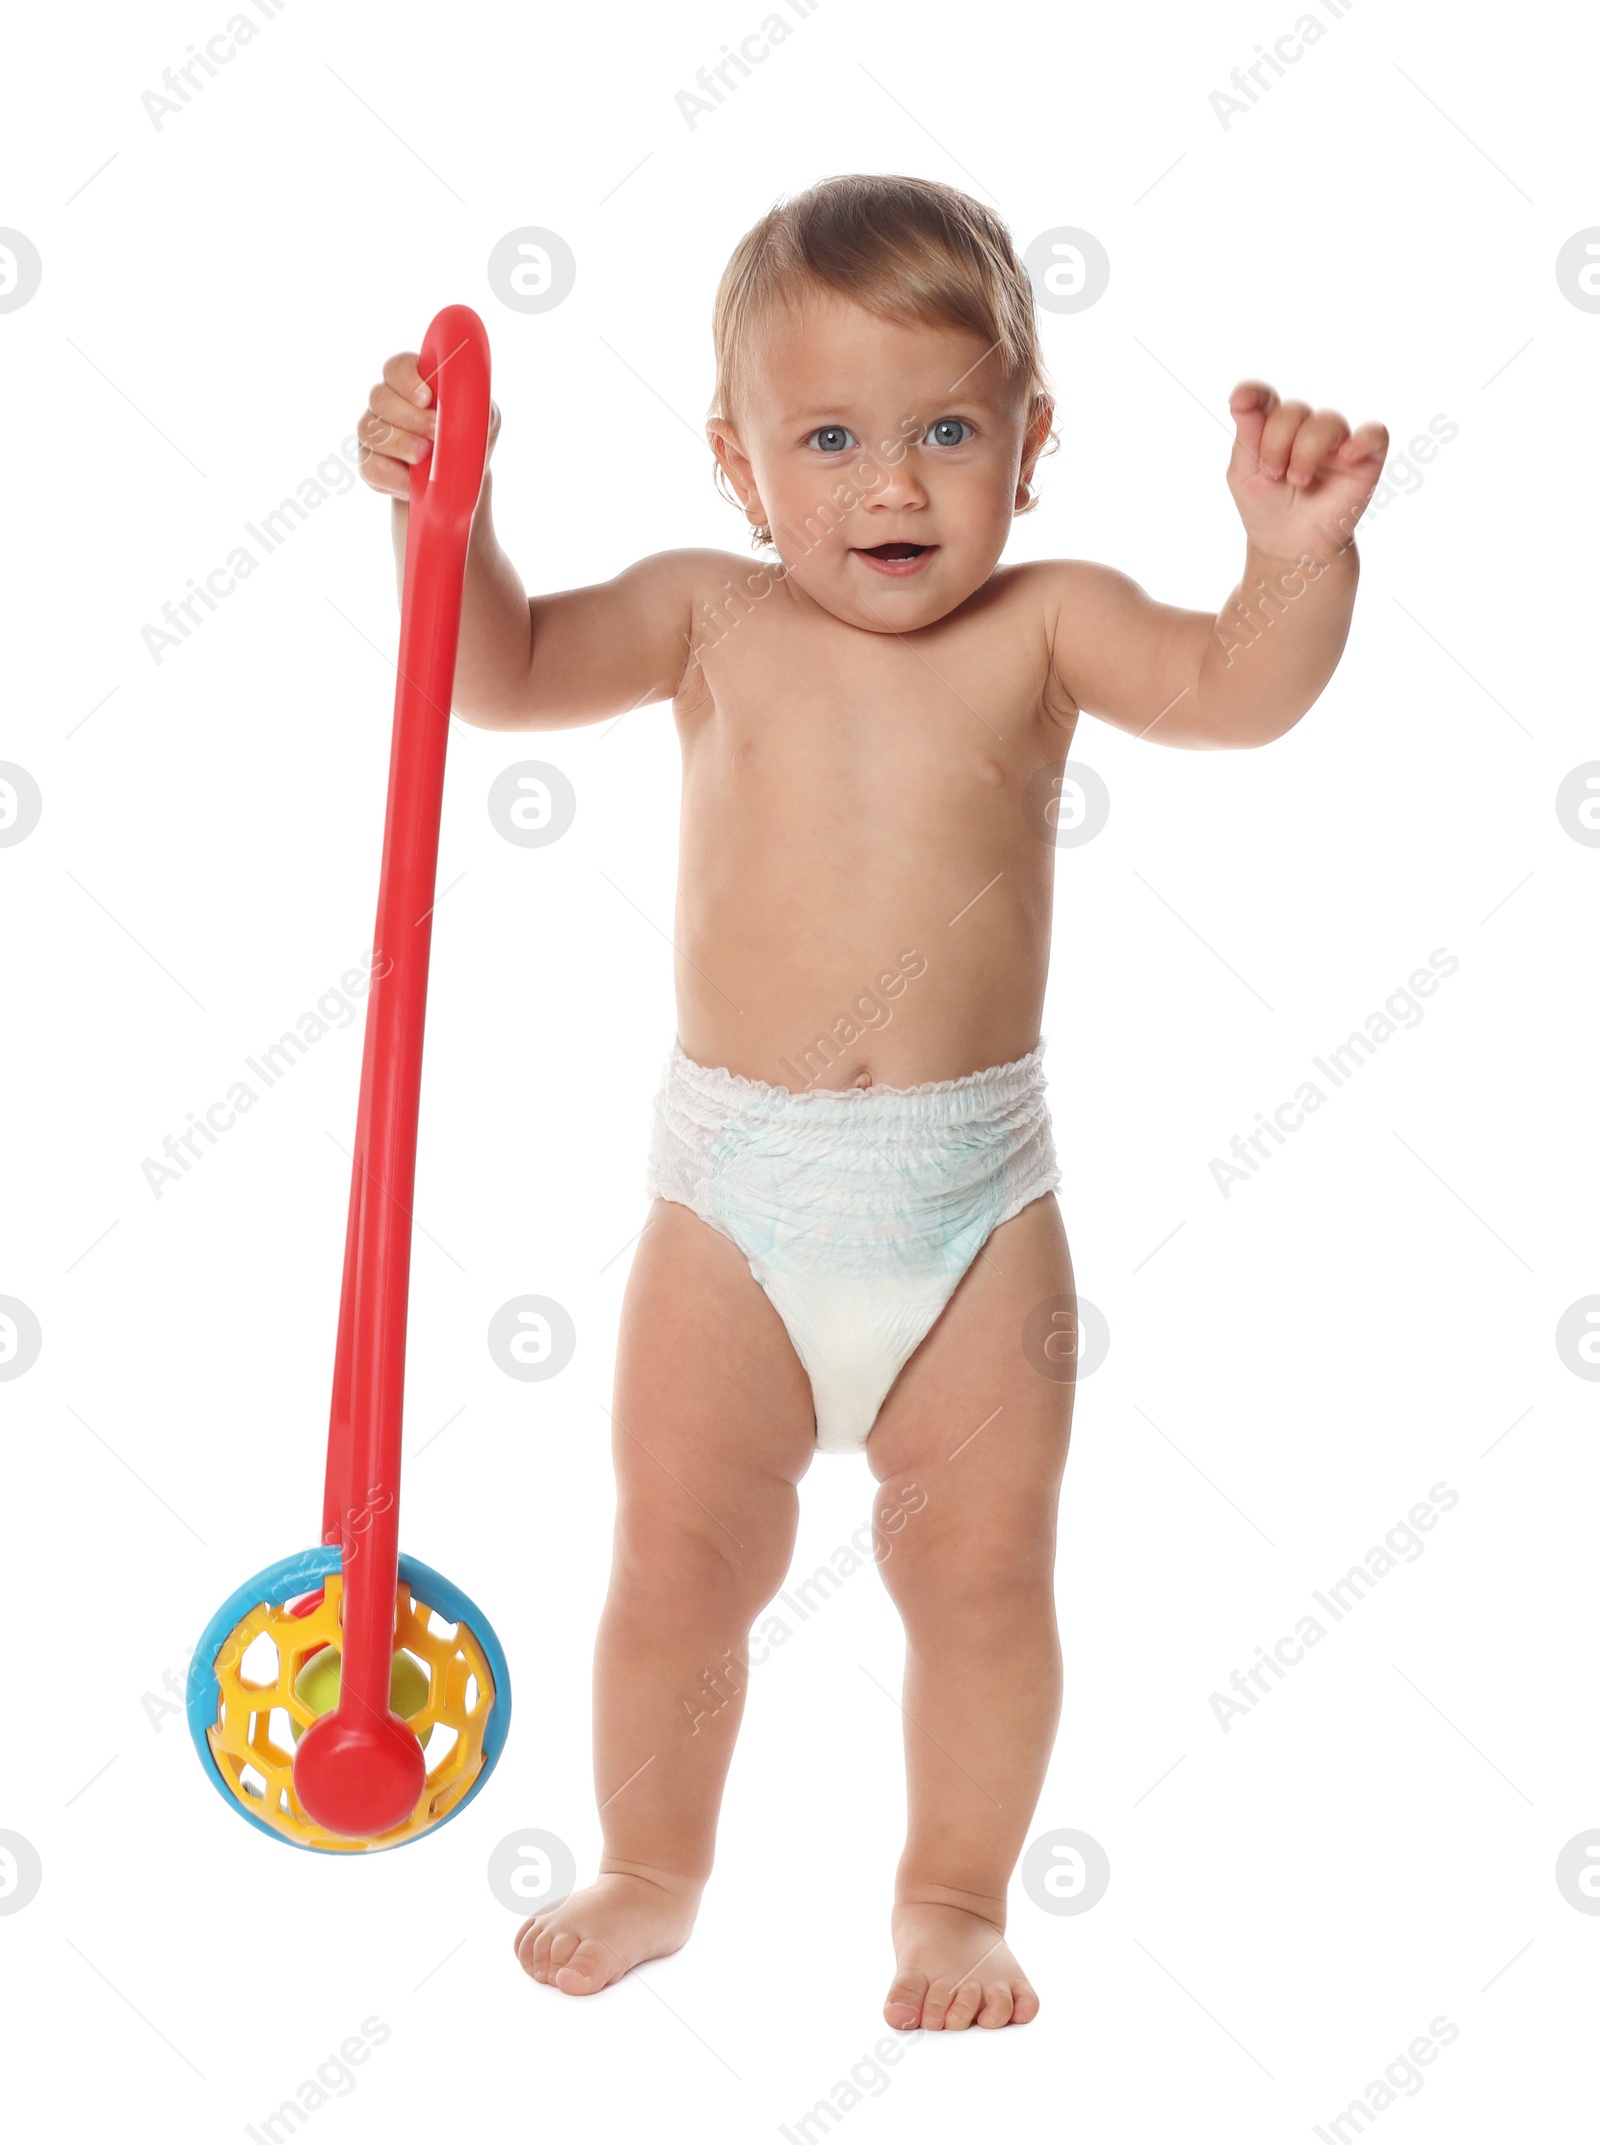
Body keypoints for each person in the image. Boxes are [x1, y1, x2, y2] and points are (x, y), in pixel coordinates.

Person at [356, 172, 1386, 2031]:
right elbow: (491, 676)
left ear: (1031, 446)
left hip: (975, 1208)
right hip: (730, 1202)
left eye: (944, 432)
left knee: (987, 1587)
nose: (890, 484)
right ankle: (655, 1864)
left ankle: (952, 1897)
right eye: (827, 438)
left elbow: (1236, 697)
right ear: (740, 467)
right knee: (676, 1565)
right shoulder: (701, 616)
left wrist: (1292, 564)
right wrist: (457, 512)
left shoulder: (1051, 624)